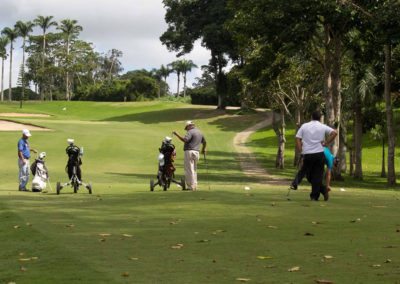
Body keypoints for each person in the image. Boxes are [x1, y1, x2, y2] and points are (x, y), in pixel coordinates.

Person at [294, 111, 337, 201]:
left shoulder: (304, 126)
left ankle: (297, 183)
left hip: (308, 153)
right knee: (316, 176)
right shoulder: (322, 126)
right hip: (319, 154)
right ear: (320, 118)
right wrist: (326, 143)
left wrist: (300, 150)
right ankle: (319, 193)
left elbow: (298, 138)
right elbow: (335, 133)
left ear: (311, 116)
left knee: (305, 170)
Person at [173, 121, 207, 191]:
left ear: (189, 126)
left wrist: (177, 134)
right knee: (194, 169)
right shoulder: (200, 132)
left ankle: (190, 187)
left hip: (189, 152)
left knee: (189, 170)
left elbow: (185, 140)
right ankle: (195, 185)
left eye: (187, 128)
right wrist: (203, 149)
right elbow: (204, 142)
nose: (187, 129)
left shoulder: (190, 132)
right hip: (197, 152)